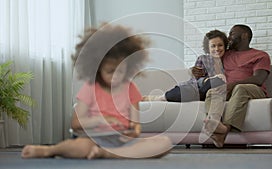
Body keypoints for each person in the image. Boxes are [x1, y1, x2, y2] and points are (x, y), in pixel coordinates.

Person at [21, 23, 172, 159]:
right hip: (92, 139)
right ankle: (50, 150)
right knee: (82, 147)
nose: (116, 77)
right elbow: (75, 123)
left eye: (121, 71)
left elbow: (135, 123)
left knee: (164, 143)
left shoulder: (131, 88)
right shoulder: (90, 87)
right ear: (98, 69)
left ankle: (105, 154)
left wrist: (134, 130)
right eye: (110, 71)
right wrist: (102, 120)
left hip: (121, 140)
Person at [203, 24, 271, 148]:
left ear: (244, 36)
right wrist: (195, 69)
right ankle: (215, 125)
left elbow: (259, 79)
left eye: (232, 34)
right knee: (212, 91)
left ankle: (225, 129)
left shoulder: (260, 55)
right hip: (230, 91)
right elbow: (210, 56)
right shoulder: (227, 54)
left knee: (240, 88)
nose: (228, 38)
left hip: (254, 91)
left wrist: (233, 85)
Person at [143, 29, 228, 102]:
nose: (217, 49)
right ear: (208, 48)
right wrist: (206, 80)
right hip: (197, 89)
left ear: (225, 46)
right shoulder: (203, 59)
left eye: (220, 45)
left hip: (214, 92)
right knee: (185, 91)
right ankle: (159, 98)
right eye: (213, 46)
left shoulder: (229, 60)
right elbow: (195, 80)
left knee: (218, 80)